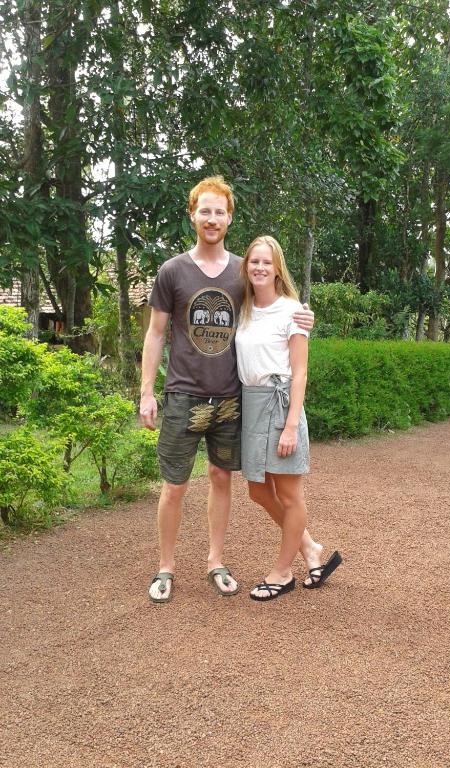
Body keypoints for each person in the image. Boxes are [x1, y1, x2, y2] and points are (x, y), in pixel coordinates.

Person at [140, 176, 315, 603]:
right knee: (174, 485)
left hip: (230, 397)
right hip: (182, 394)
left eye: (220, 212)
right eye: (205, 211)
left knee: (222, 478)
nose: (212, 218)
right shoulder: (173, 271)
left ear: (229, 218)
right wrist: (147, 391)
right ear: (193, 214)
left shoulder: (241, 274)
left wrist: (303, 317)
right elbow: (155, 334)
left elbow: (274, 307)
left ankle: (215, 561)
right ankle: (166, 567)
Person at [235, 235, 342, 601]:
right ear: (246, 267)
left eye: (267, 262)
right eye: (254, 262)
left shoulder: (292, 310)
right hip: (251, 403)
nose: (260, 268)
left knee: (289, 493)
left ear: (278, 267)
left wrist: (292, 425)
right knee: (258, 490)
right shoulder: (244, 307)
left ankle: (282, 573)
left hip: (280, 405)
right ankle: (310, 547)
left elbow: (300, 373)